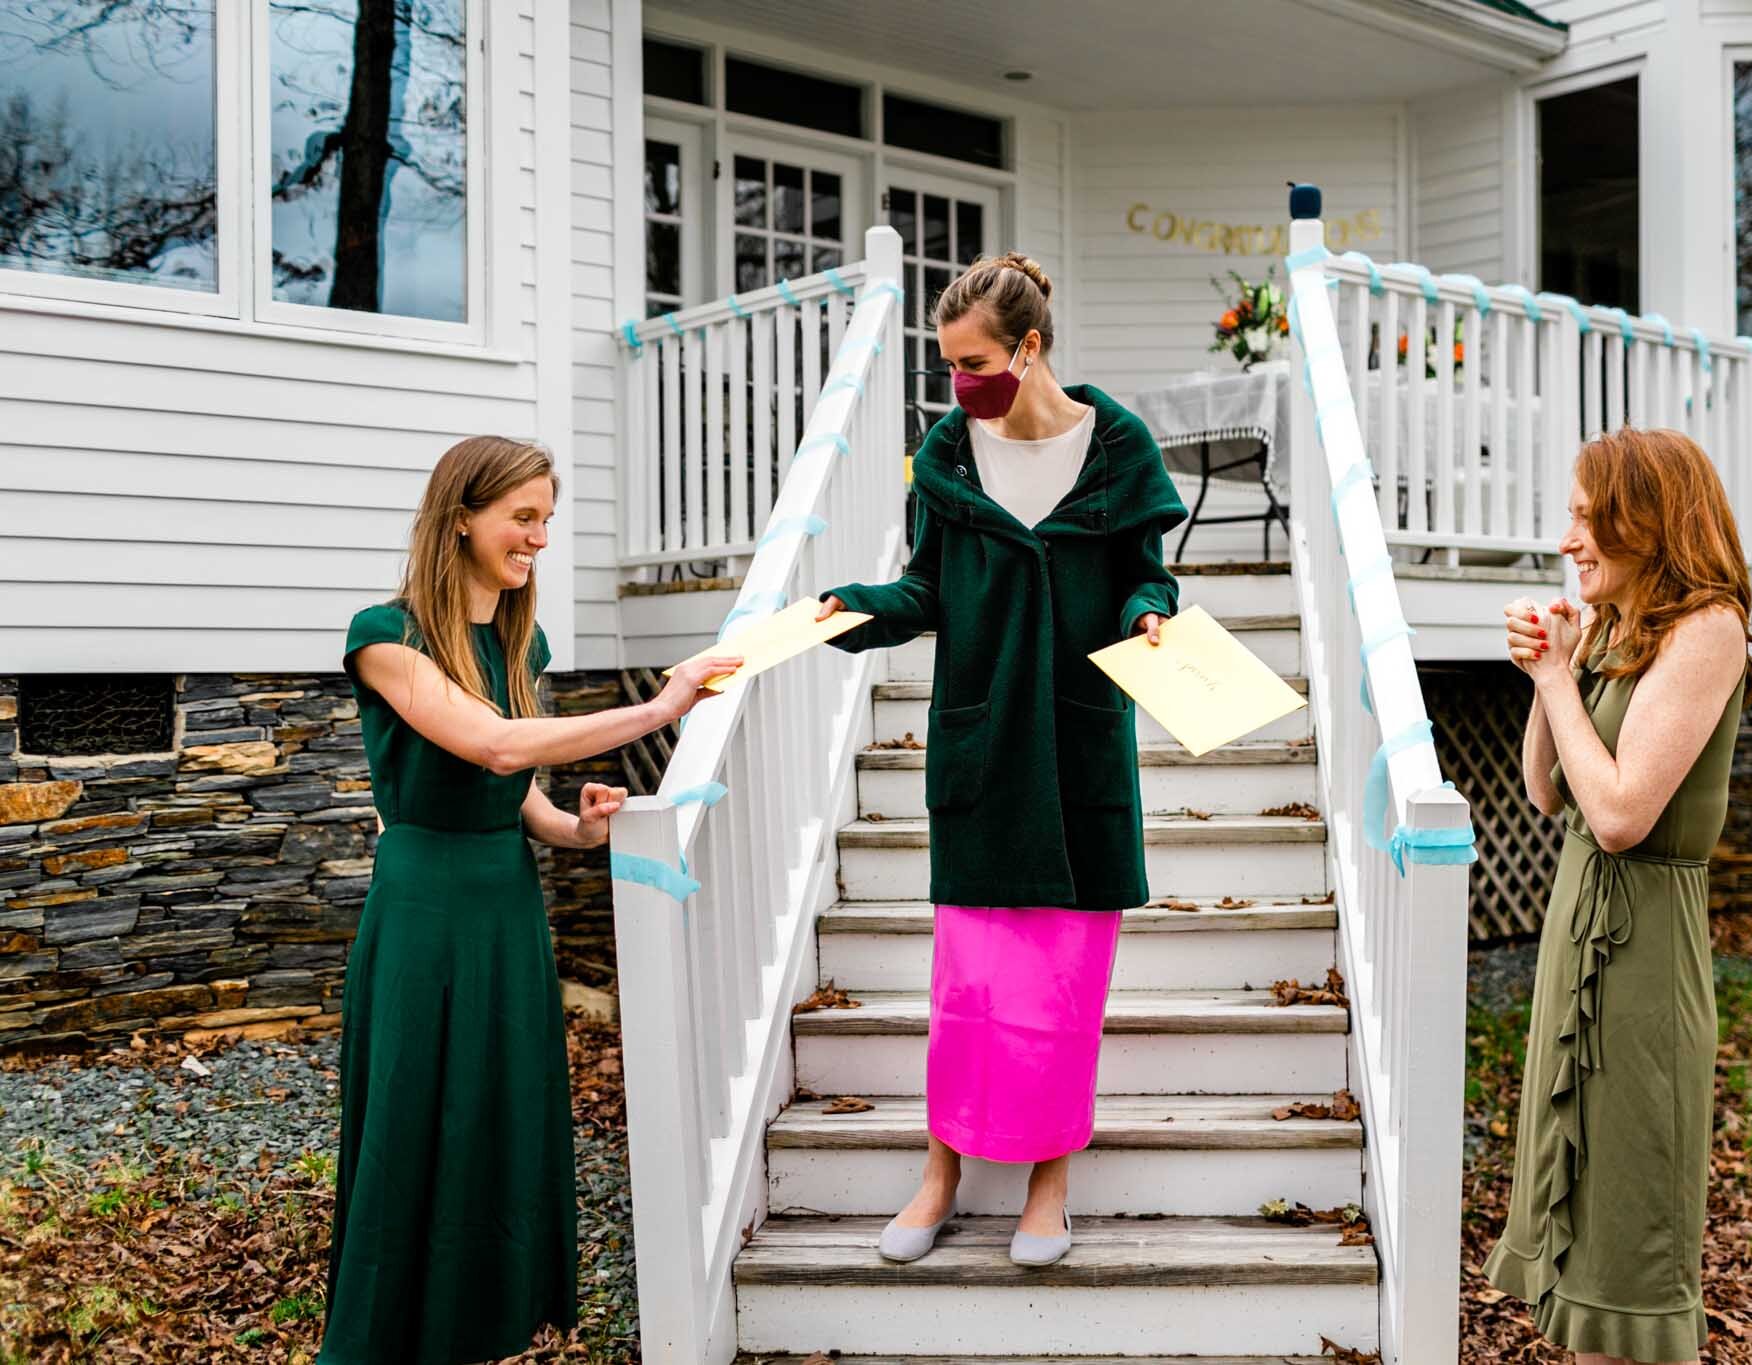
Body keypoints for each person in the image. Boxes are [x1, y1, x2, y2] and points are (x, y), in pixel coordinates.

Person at [319, 436, 739, 1364]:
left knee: (494, 1104)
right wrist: (658, 710)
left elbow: (515, 794)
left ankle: (486, 1321)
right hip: (425, 904)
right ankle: (390, 1333)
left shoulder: (520, 639)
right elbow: (496, 746)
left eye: (547, 518)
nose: (539, 538)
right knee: (416, 1111)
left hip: (506, 899)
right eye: (523, 517)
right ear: (461, 516)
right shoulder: (384, 636)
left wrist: (576, 830)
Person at [815, 251, 1186, 1268]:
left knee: (1064, 1000)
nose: (959, 384)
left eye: (973, 362)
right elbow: (925, 591)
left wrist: (1149, 616)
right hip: (981, 755)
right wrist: (842, 614)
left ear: (1027, 348)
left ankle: (1046, 1191)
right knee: (966, 996)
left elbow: (1143, 578)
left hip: (1076, 755)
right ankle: (936, 1178)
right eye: (947, 367)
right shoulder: (947, 454)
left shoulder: (1117, 451)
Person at [1481, 427, 1752, 1364]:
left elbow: (1618, 815)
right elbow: (1546, 789)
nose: (1568, 540)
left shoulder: (1707, 629)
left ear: (1643, 518)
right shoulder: (1619, 622)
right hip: (1577, 929)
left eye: (1583, 516)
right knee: (1577, 1254)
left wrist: (1562, 679)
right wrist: (1547, 677)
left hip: (1645, 947)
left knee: (1629, 1248)